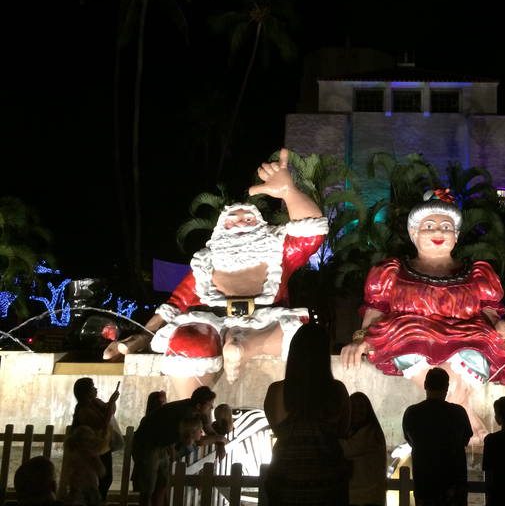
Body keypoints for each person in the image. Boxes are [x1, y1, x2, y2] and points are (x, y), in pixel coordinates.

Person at [104, 148, 329, 398]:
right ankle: (191, 412)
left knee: (291, 330)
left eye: (248, 220)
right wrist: (143, 336)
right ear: (221, 231)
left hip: (265, 320)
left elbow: (311, 233)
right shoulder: (206, 263)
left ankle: (247, 345)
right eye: (232, 222)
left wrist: (289, 191)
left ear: (262, 226)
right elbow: (176, 305)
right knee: (186, 341)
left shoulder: (278, 250)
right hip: (211, 321)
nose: (240, 225)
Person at [342, 189, 505, 439]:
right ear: (413, 233)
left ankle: (446, 427)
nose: (438, 233)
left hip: (470, 338)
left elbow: (492, 319)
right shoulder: (391, 273)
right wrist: (360, 339)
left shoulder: (478, 275)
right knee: (441, 375)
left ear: (456, 234)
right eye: (429, 226)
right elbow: (374, 314)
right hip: (410, 337)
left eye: (446, 227)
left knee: (475, 352)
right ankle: (461, 418)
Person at [263, 323, 351, 505]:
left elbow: (277, 429)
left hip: (286, 483)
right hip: (328, 486)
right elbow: (343, 430)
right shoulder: (337, 391)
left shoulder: (276, 391)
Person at [131, 386, 228, 506]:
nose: (211, 407)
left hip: (162, 445)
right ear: (199, 406)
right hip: (147, 445)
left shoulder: (198, 411)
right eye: (209, 404)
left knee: (162, 485)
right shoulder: (184, 413)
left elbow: (209, 430)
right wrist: (220, 438)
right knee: (148, 489)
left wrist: (220, 444)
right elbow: (197, 440)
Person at [402, 367, 473, 506]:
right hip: (453, 482)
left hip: (424, 481)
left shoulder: (412, 413)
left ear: (425, 385)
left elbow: (411, 441)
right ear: (447, 387)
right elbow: (465, 440)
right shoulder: (458, 412)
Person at [71, 377, 119, 501]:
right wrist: (111, 402)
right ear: (86, 392)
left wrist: (112, 402)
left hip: (104, 447)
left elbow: (110, 410)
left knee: (107, 480)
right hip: (93, 450)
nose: (95, 389)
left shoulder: (95, 402)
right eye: (92, 387)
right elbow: (103, 423)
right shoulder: (83, 410)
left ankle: (99, 500)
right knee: (93, 481)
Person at [340, 392, 388, 506]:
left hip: (366, 498)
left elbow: (348, 449)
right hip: (363, 496)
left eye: (361, 406)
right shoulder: (360, 431)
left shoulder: (370, 433)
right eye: (353, 406)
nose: (357, 410)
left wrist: (326, 436)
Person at [60, 426, 106, 506]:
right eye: (89, 441)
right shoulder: (77, 456)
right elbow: (101, 472)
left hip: (88, 489)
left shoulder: (76, 455)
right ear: (79, 442)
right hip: (80, 490)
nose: (91, 444)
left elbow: (101, 471)